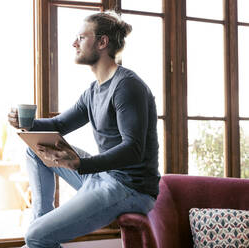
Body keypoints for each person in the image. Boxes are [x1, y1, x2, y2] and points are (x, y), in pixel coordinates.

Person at [8, 11, 160, 248]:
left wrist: (82, 164)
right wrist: (25, 123)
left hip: (131, 188)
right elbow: (59, 125)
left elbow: (134, 149)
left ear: (102, 42)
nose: (74, 43)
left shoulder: (126, 86)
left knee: (35, 236)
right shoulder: (93, 90)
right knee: (34, 151)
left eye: (81, 37)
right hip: (103, 176)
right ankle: (40, 228)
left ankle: (39, 237)